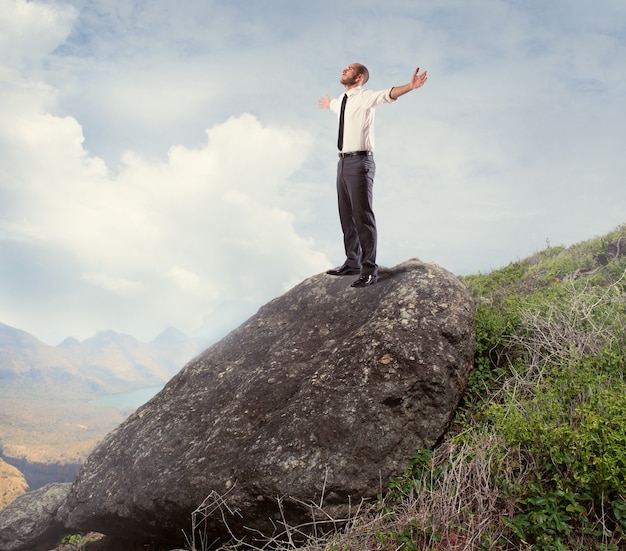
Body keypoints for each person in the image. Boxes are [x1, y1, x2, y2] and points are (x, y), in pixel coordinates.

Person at [318, 63, 428, 287]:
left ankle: (369, 270)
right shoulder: (342, 101)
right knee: (346, 214)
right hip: (342, 162)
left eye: (349, 69)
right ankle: (353, 262)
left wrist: (411, 85)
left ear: (359, 77)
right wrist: (329, 104)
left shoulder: (365, 96)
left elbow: (388, 94)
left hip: (360, 162)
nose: (343, 69)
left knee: (362, 216)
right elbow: (335, 107)